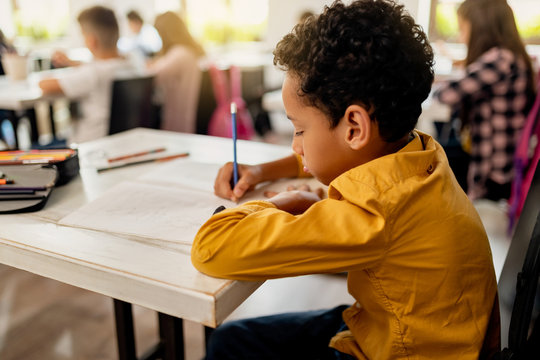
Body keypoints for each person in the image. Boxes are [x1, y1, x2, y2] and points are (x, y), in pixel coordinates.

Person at [191, 1, 499, 359]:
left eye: (299, 130)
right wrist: (261, 171)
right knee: (235, 337)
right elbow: (329, 154)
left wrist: (282, 203)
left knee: (230, 343)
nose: (296, 144)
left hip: (392, 348)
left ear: (354, 127)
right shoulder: (418, 152)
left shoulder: (375, 211)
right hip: (402, 326)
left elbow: (211, 248)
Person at [433, 0, 536, 201]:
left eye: (463, 28)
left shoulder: (500, 59)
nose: (461, 36)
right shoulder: (511, 55)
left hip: (493, 170)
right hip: (499, 161)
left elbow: (446, 95)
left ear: (481, 27)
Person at [39, 6, 134, 144]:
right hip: (123, 143)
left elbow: (44, 85)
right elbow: (102, 66)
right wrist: (72, 63)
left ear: (91, 41)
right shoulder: (132, 63)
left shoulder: (92, 74)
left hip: (88, 146)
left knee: (38, 145)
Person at [148, 11, 204, 134]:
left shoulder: (179, 53)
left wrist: (150, 64)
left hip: (175, 125)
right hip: (185, 122)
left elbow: (155, 76)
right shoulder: (189, 52)